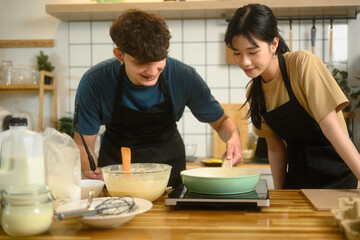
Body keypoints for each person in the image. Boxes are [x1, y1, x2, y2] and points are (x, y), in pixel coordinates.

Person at [73, 9, 243, 188]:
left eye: (159, 60)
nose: (152, 72)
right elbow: (84, 144)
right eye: (141, 62)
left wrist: (233, 139)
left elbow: (222, 121)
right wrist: (92, 173)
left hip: (169, 175)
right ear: (120, 55)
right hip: (117, 178)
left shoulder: (183, 76)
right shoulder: (95, 82)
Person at [225, 3, 360, 189]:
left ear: (274, 44)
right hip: (298, 180)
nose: (244, 61)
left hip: (337, 176)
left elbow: (332, 128)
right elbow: (275, 148)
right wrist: (280, 193)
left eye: (252, 52)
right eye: (237, 53)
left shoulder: (302, 65)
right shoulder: (255, 93)